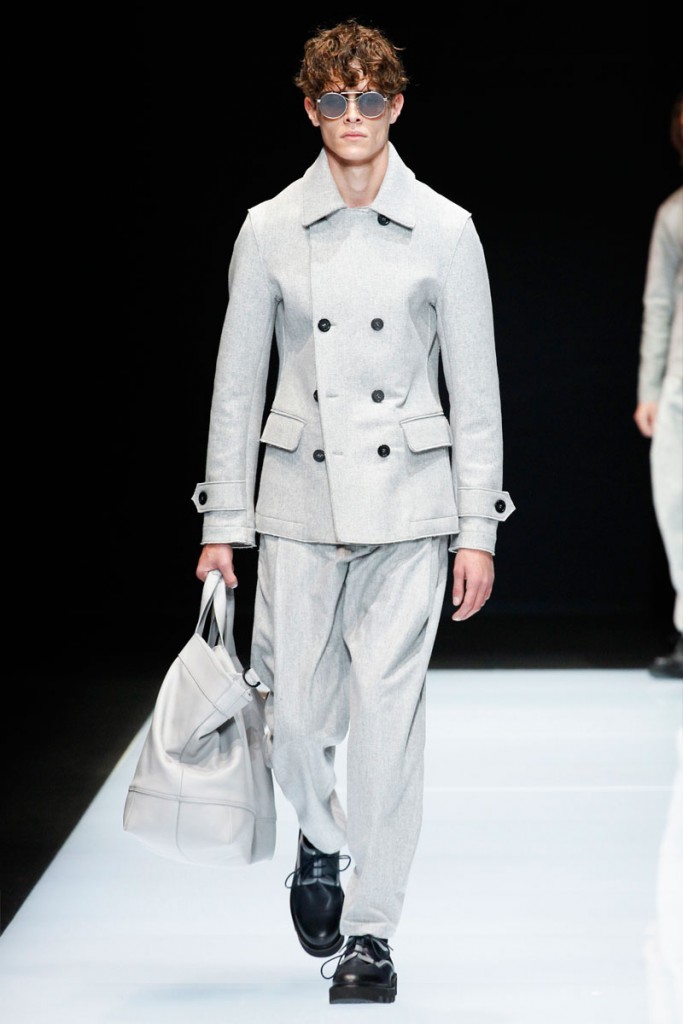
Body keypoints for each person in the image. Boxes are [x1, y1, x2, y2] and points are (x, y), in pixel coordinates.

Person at [192, 19, 514, 1004]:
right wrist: (222, 523)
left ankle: (370, 932)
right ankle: (321, 840)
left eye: (370, 97)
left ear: (395, 105)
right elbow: (237, 386)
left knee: (386, 730)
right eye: (334, 99)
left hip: (409, 508)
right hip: (297, 502)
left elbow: (475, 393)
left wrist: (475, 529)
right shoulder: (268, 229)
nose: (353, 115)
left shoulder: (446, 230)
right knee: (291, 720)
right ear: (310, 108)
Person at [633, 89, 683, 681]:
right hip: (678, 389)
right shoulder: (674, 214)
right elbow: (660, 303)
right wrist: (649, 388)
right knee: (675, 505)